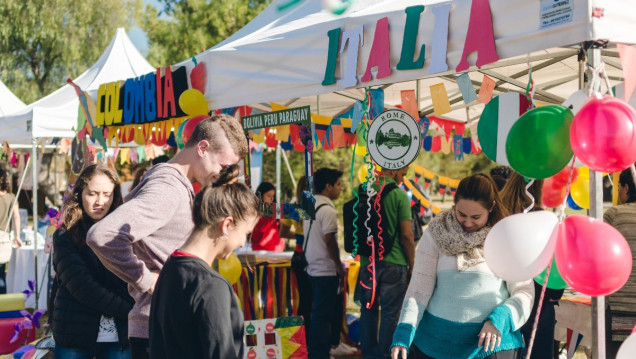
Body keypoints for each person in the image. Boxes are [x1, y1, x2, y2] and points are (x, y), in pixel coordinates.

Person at [87, 114, 248, 359]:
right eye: (223, 166)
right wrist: (146, 280)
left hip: (161, 326)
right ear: (203, 148)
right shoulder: (168, 188)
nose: (222, 174)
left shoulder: (171, 181)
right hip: (159, 330)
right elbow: (102, 235)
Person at [391, 174, 534, 359]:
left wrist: (500, 319)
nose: (467, 223)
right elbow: (419, 289)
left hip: (491, 347)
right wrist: (404, 329)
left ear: (491, 207)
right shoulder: (436, 233)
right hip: (435, 344)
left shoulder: (505, 237)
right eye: (461, 214)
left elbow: (524, 292)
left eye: (476, 217)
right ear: (454, 203)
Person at [149, 165, 258, 359]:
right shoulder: (211, 285)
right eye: (246, 234)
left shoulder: (169, 267)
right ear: (227, 225)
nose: (243, 242)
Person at [51, 164, 133, 359]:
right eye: (93, 193)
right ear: (80, 193)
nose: (100, 201)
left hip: (118, 336)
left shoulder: (124, 233)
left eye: (107, 194)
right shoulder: (66, 235)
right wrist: (129, 311)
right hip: (75, 333)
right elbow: (83, 287)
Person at [500, 172, 563, 359]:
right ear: (539, 188)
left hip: (501, 301)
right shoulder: (542, 220)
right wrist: (554, 293)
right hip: (538, 304)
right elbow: (553, 268)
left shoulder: (499, 216)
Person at [359, 167, 414, 359]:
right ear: (395, 169)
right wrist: (412, 264)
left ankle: (368, 354)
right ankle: (384, 355)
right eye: (403, 173)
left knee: (367, 309)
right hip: (395, 262)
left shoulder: (363, 190)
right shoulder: (399, 196)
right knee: (391, 313)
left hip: (368, 262)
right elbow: (407, 235)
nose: (403, 178)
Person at [304, 167, 344, 359]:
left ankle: (318, 351)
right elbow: (330, 241)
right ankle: (319, 353)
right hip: (325, 270)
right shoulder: (327, 209)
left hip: (312, 267)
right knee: (322, 315)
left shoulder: (309, 205)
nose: (341, 188)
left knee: (318, 313)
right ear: (328, 186)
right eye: (338, 184)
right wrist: (338, 265)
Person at [603, 167, 636, 358]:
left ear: (625, 188)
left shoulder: (614, 214)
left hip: (619, 305)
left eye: (618, 188)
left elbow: (600, 257)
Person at [0, 167, 21, 294]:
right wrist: (17, 236)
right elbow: (16, 216)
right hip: (4, 238)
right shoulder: (12, 197)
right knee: (1, 272)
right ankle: (2, 304)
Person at [251, 181, 284, 251]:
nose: (271, 199)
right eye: (269, 196)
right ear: (260, 196)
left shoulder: (274, 210)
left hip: (276, 252)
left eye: (273, 196)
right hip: (260, 252)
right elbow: (260, 227)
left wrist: (282, 243)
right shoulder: (254, 210)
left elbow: (279, 230)